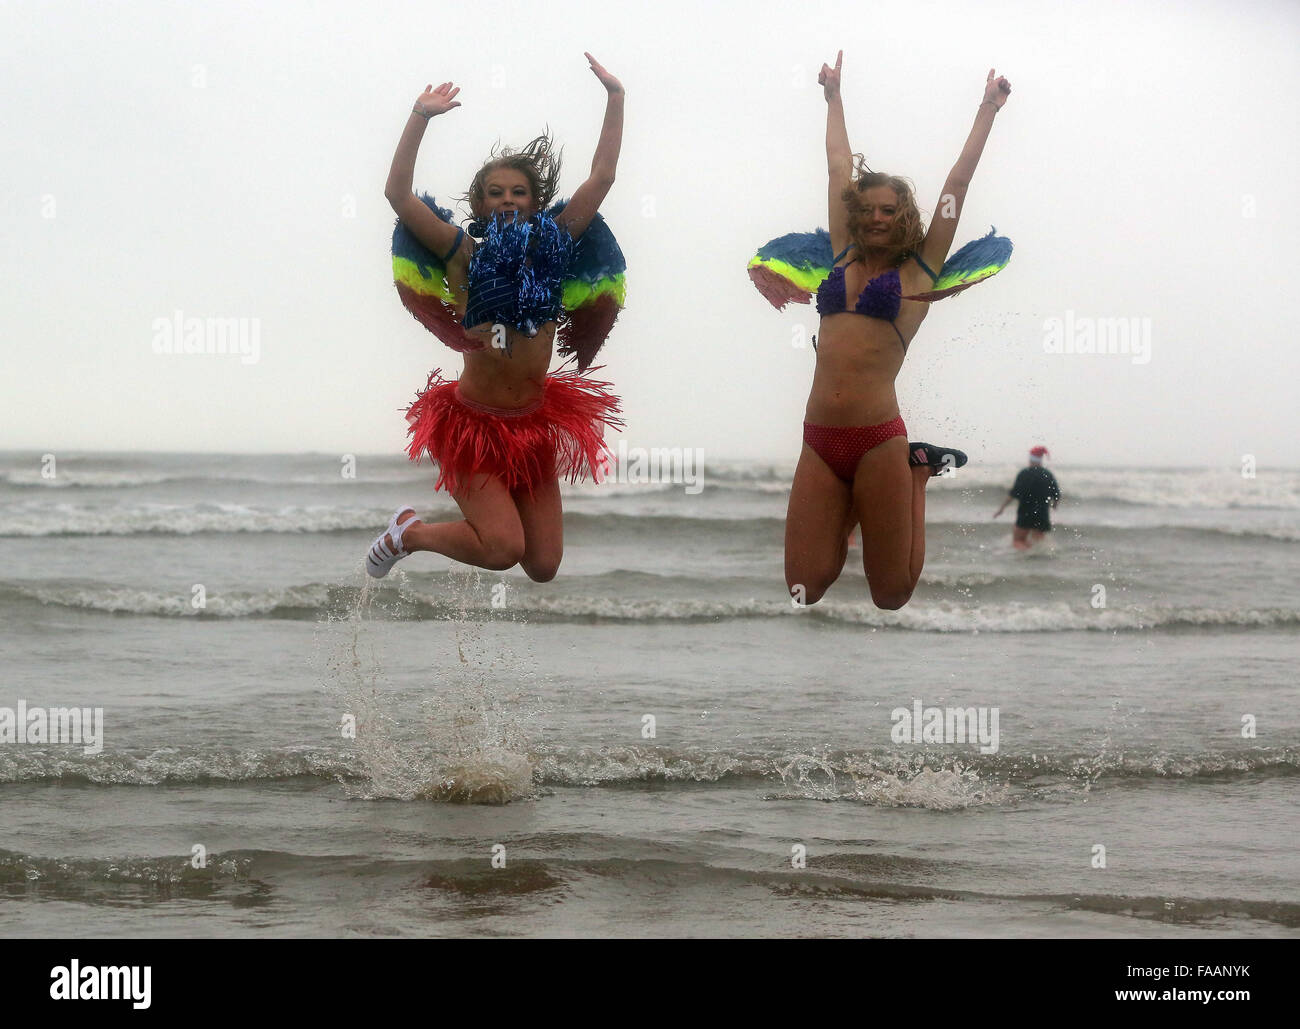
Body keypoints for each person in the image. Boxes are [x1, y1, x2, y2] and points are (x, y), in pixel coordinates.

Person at [365, 54, 626, 582]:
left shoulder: (557, 243)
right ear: (481, 207)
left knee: (544, 565)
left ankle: (430, 532)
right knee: (502, 548)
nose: (508, 200)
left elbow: (603, 176)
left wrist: (616, 98)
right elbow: (396, 193)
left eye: (519, 193)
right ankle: (409, 534)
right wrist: (419, 116)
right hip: (474, 426)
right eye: (495, 194)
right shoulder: (463, 253)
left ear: (535, 202)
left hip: (533, 423)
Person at [783, 54, 1011, 609]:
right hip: (819, 438)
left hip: (879, 440)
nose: (878, 217)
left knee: (891, 594)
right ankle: (849, 510)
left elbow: (958, 182)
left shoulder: (921, 269)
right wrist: (833, 97)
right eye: (868, 209)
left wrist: (988, 109)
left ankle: (917, 474)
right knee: (804, 589)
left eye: (889, 209)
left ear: (904, 215)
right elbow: (839, 166)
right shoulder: (840, 256)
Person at [994, 446, 1061, 549]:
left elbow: (1013, 494)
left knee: (1018, 540)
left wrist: (1001, 509)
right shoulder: (1048, 475)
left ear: (1031, 458)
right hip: (1042, 514)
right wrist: (1054, 506)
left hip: (1025, 513)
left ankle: (1025, 557)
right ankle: (1037, 560)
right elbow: (1056, 495)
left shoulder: (1024, 474)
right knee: (1039, 544)